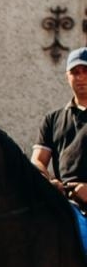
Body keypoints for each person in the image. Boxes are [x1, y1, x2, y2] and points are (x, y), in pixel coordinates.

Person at [32, 47, 87, 207]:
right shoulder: (52, 119)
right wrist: (49, 181)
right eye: (75, 72)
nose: (81, 77)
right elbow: (38, 160)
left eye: (85, 70)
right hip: (64, 204)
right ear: (67, 77)